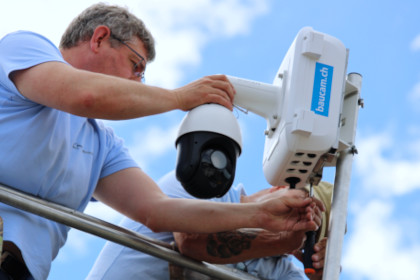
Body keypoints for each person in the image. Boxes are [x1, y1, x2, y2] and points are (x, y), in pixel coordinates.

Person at [0, 3, 324, 280]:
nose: (136, 81)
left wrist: (262, 217)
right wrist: (180, 98)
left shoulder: (101, 145)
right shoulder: (24, 48)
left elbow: (159, 211)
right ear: (99, 38)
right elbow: (85, 95)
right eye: (135, 65)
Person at [87, 170, 332, 280]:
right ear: (279, 189)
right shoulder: (205, 182)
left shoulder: (278, 268)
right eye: (300, 211)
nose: (297, 226)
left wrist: (323, 275)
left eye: (308, 232)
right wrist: (278, 240)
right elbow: (191, 241)